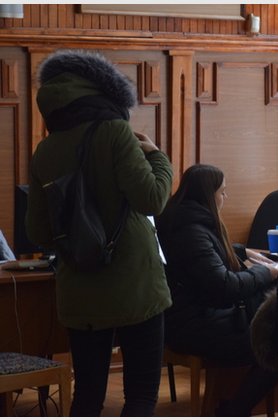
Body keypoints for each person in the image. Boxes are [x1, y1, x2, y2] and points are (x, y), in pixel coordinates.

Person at [26, 50, 173, 416]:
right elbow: (153, 199)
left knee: (88, 397)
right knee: (140, 395)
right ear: (104, 91)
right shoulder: (115, 131)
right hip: (135, 285)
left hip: (79, 288)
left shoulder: (45, 150)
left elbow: (38, 231)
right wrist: (157, 157)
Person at [155, 163, 278, 415]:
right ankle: (234, 411)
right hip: (196, 327)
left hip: (185, 320)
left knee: (274, 331)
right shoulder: (192, 230)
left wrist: (243, 251)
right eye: (222, 192)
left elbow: (207, 251)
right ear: (208, 195)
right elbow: (224, 286)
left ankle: (229, 405)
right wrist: (265, 273)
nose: (226, 196)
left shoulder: (181, 220)